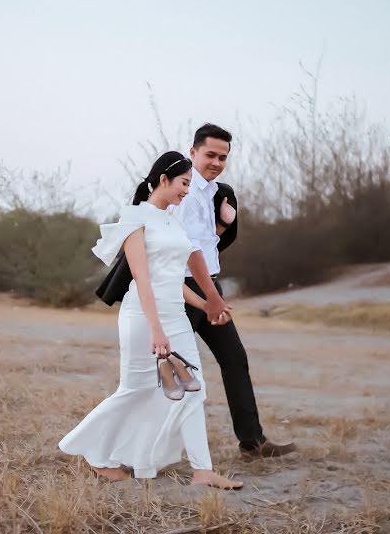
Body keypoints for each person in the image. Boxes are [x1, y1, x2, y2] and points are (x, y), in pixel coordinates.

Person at [58, 151, 243, 489]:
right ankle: (97, 456)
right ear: (163, 180)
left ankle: (203, 471)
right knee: (136, 389)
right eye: (184, 183)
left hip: (175, 315)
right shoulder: (135, 218)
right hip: (143, 317)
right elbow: (143, 279)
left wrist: (207, 305)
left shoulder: (174, 220)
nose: (187, 190)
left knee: (193, 389)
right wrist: (157, 331)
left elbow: (173, 278)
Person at [173, 124, 297, 458]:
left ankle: (252, 443)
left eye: (223, 157)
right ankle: (137, 451)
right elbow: (186, 248)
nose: (216, 162)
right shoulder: (184, 191)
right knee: (173, 372)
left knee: (234, 360)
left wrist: (223, 225)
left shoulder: (214, 193)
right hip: (185, 290)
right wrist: (211, 296)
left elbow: (206, 243)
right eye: (210, 154)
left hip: (209, 283)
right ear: (193, 152)